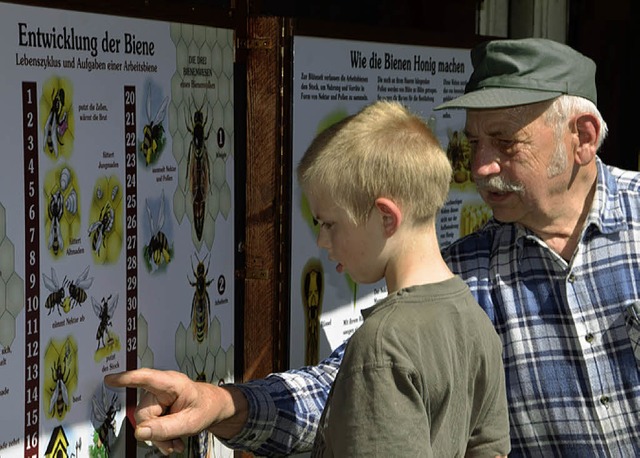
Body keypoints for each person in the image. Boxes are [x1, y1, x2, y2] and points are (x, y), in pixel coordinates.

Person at [106, 37, 640, 456]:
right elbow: (343, 389)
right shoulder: (465, 274)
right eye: (474, 142)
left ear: (583, 137)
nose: (480, 166)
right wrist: (221, 403)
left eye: (505, 142)